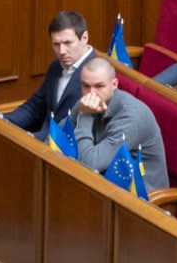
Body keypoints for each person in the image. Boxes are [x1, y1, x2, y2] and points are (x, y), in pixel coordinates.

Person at [69, 57, 168, 188]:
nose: (92, 93)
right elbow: (59, 135)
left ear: (114, 85)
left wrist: (85, 116)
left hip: (141, 194)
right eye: (86, 86)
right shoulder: (87, 103)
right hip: (106, 179)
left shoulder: (131, 117)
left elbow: (90, 164)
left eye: (99, 86)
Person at [2, 10, 94, 134]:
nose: (61, 51)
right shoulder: (56, 66)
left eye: (67, 43)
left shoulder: (96, 74)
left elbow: (77, 125)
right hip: (45, 137)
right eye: (56, 44)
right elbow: (35, 106)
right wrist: (4, 122)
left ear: (84, 38)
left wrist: (35, 139)